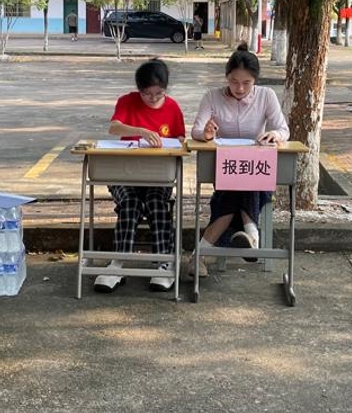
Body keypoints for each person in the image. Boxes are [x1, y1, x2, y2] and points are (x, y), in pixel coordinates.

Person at [190, 42, 289, 276]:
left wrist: (273, 135)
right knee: (240, 185)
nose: (240, 88)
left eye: (247, 83)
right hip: (225, 168)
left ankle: (199, 257)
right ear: (227, 77)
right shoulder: (212, 96)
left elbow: (283, 130)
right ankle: (251, 235)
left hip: (256, 168)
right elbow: (195, 131)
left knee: (237, 192)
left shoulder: (266, 96)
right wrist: (205, 134)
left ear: (255, 80)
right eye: (234, 82)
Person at [94, 58, 186, 294]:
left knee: (157, 202)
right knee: (131, 203)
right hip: (125, 173)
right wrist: (141, 131)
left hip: (159, 174)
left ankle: (163, 261)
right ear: (139, 90)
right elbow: (114, 128)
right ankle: (118, 262)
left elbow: (180, 141)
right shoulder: (127, 101)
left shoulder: (173, 107)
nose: (153, 98)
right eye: (147, 94)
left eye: (159, 93)